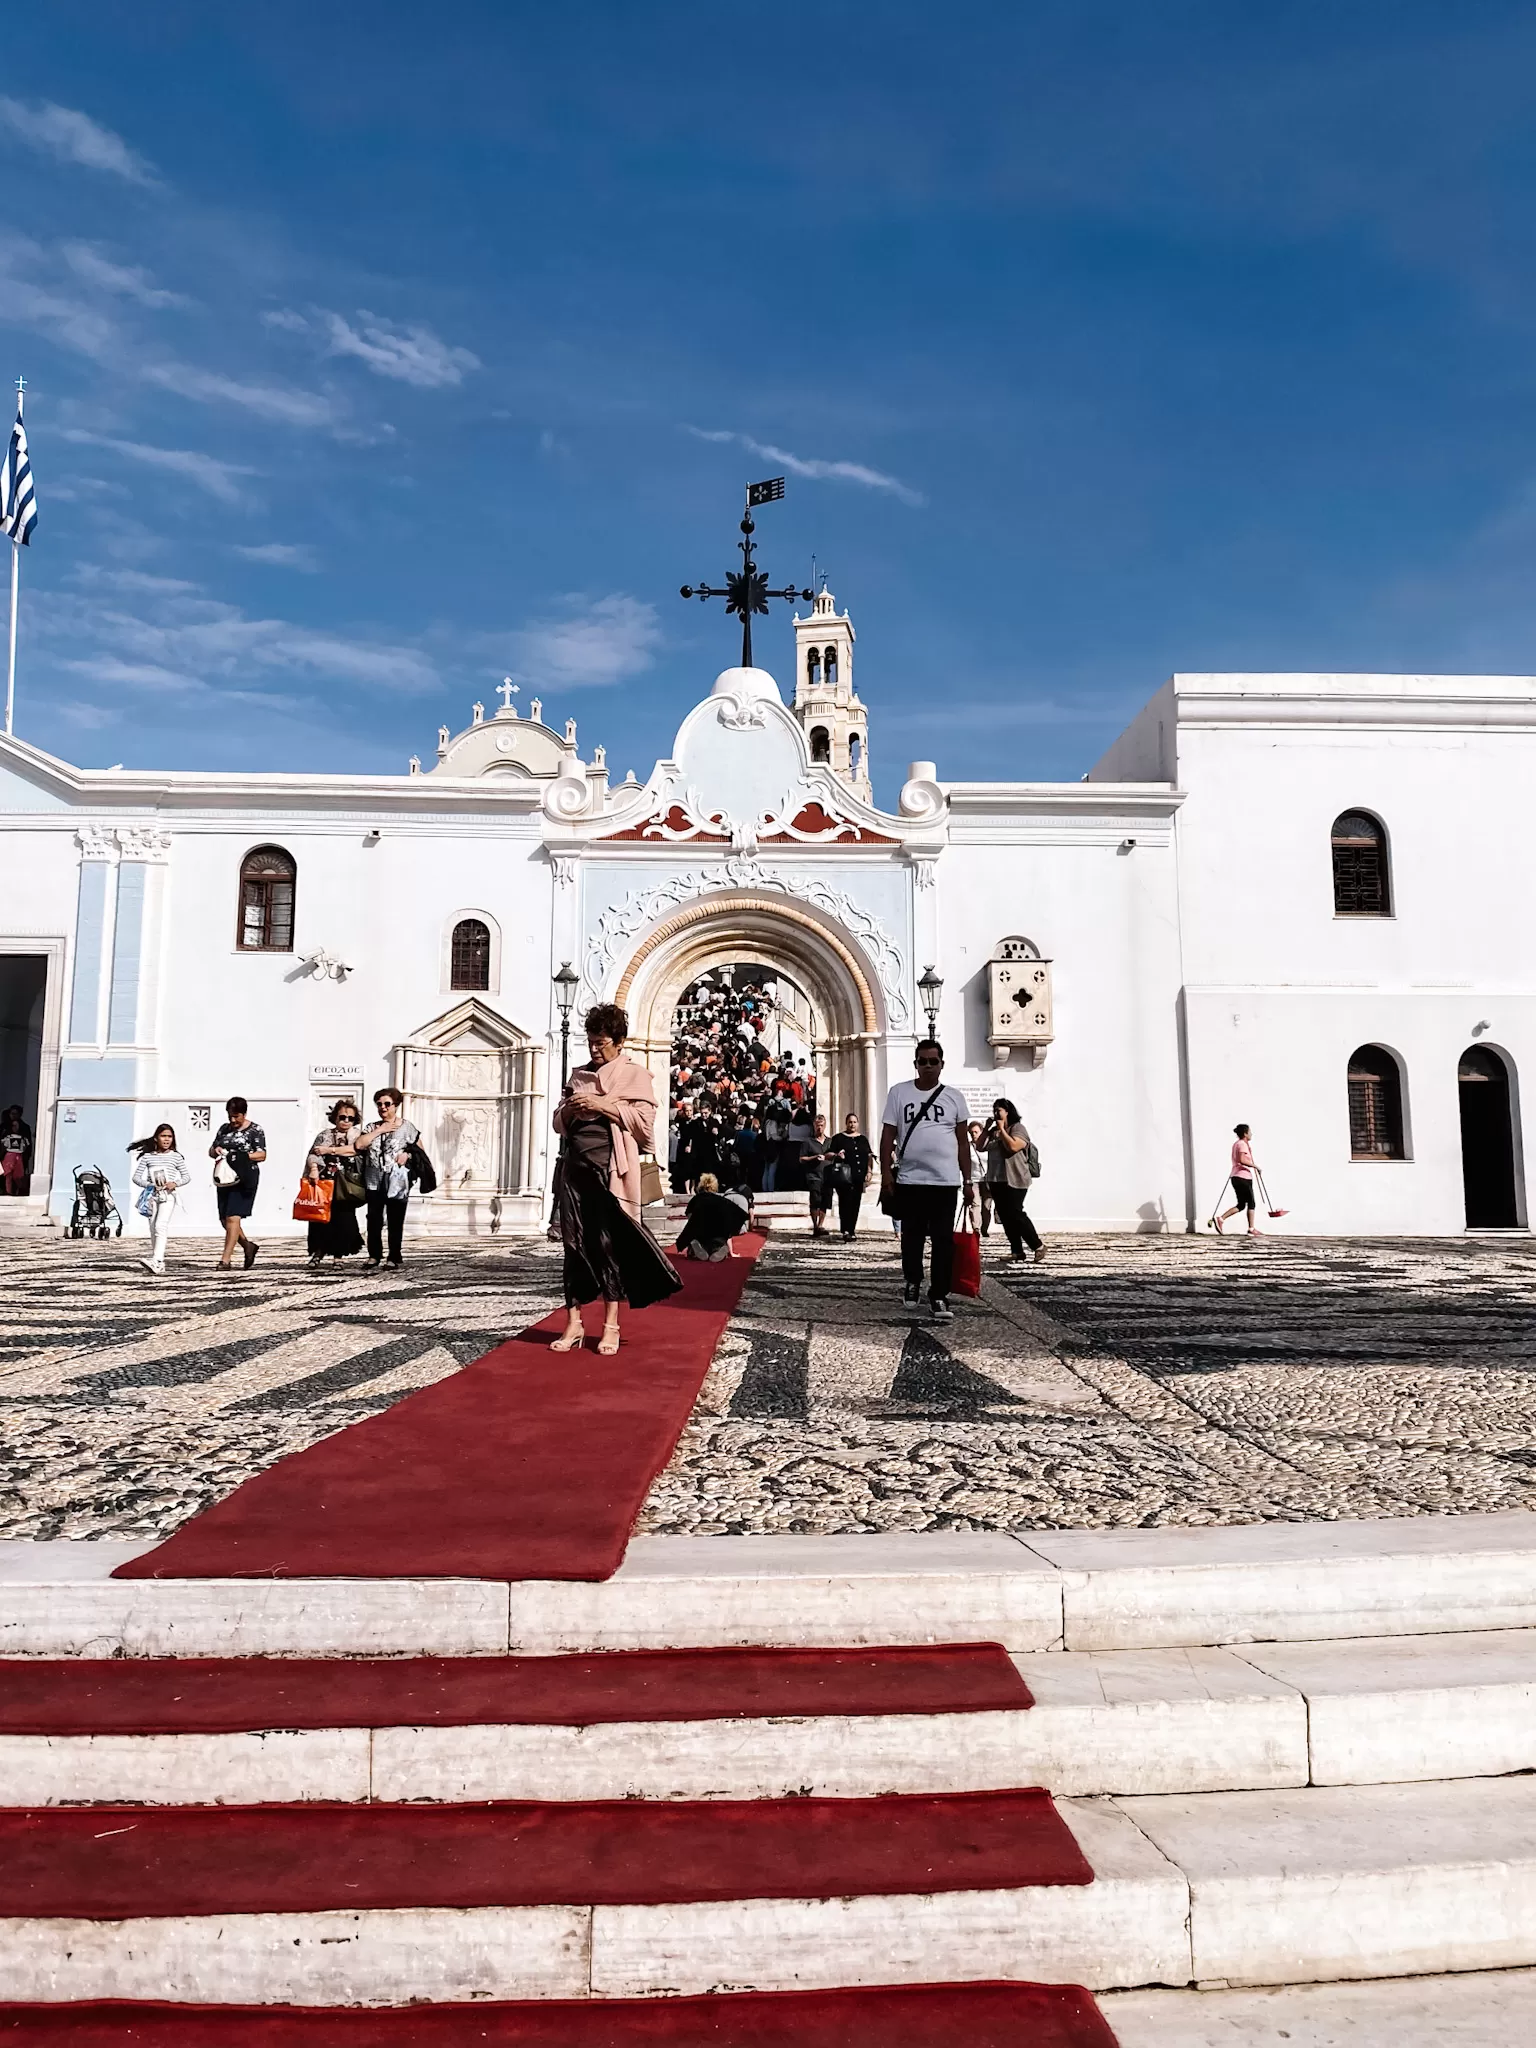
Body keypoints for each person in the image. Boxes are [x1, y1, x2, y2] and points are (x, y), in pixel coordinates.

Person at [551, 1002, 682, 1354]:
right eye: (591, 1042)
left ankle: (611, 1324)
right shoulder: (578, 1074)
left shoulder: (634, 1075)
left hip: (609, 1171)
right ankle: (574, 1323)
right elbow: (557, 1122)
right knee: (572, 1247)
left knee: (607, 1245)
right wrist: (570, 1109)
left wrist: (601, 1105)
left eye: (602, 1043)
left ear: (619, 1042)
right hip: (574, 1171)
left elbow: (644, 1124)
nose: (595, 1050)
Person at [880, 1040, 975, 1322]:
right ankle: (912, 1281)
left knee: (944, 1241)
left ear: (942, 1064)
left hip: (945, 1182)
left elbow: (962, 1143)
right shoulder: (899, 1093)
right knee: (912, 1238)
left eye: (934, 1061)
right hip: (911, 1180)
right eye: (923, 1061)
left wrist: (968, 1180)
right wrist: (886, 1173)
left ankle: (939, 1294)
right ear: (916, 1064)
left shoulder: (954, 1098)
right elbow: (888, 1136)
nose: (928, 1066)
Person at [355, 1087, 420, 1270]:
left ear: (396, 1105)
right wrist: (380, 1130)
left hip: (397, 1181)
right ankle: (374, 1255)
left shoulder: (407, 1127)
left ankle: (394, 1256)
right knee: (373, 1219)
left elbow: (419, 1150)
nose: (383, 1108)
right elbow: (360, 1144)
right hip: (374, 1180)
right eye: (379, 1104)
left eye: (387, 1104)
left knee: (395, 1219)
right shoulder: (371, 1127)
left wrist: (407, 1154)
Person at [304, 1099, 366, 1265]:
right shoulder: (325, 1135)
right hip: (326, 1182)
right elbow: (314, 1153)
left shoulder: (358, 1136)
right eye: (342, 1117)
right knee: (319, 1218)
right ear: (335, 1117)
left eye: (350, 1118)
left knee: (343, 1219)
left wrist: (331, 1150)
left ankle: (339, 1255)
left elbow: (356, 1151)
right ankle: (318, 1253)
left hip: (346, 1184)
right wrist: (314, 1168)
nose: (346, 1121)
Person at [982, 1097, 1044, 1263]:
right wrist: (987, 1129)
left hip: (1015, 1178)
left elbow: (1014, 1147)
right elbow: (980, 1146)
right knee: (1005, 1216)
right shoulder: (994, 1130)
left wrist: (1002, 1131)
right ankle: (1016, 1250)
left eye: (999, 1110)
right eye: (994, 1110)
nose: (995, 1113)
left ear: (1007, 1111)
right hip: (996, 1180)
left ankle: (1037, 1245)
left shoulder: (1018, 1128)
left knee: (1016, 1213)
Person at [209, 1097, 266, 1271]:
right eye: (230, 1116)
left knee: (233, 1217)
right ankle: (248, 1246)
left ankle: (225, 1260)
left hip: (244, 1177)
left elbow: (262, 1155)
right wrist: (216, 1150)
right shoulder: (224, 1129)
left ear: (244, 1113)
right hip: (225, 1177)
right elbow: (211, 1150)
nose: (233, 1120)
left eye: (236, 1116)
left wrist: (240, 1156)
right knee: (224, 1219)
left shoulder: (255, 1130)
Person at [128, 1124, 190, 1276]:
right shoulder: (148, 1157)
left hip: (168, 1195)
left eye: (169, 1136)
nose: (167, 1139)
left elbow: (186, 1176)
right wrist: (150, 1185)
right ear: (156, 1138)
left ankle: (158, 1260)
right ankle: (157, 1260)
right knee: (153, 1227)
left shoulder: (176, 1156)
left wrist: (174, 1183)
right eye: (164, 1136)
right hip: (153, 1195)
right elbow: (136, 1177)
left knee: (161, 1225)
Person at [675, 1172, 745, 1261]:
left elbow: (690, 1219)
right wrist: (731, 1251)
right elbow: (728, 1223)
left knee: (695, 1239)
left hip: (700, 1232)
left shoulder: (696, 1199)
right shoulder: (721, 1201)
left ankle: (695, 1251)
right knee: (718, 1243)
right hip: (717, 1234)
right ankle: (718, 1250)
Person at [827, 1111, 873, 1240]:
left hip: (859, 1176)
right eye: (850, 1122)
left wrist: (869, 1171)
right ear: (846, 1123)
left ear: (857, 1124)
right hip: (845, 1177)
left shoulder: (863, 1139)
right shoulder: (839, 1138)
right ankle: (845, 1229)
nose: (852, 1124)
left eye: (854, 1122)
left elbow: (869, 1156)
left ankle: (852, 1229)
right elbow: (828, 1154)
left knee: (855, 1203)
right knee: (845, 1202)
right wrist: (837, 1155)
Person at [1215, 1123, 1262, 1236]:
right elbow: (1242, 1160)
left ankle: (1221, 1219)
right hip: (1243, 1176)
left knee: (1241, 1204)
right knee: (1251, 1203)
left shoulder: (1237, 1144)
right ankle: (1251, 1228)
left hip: (1236, 1176)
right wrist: (1255, 1166)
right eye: (1249, 1132)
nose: (1251, 1134)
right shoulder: (1242, 1144)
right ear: (1245, 1133)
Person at [803, 1111, 832, 1236]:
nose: (819, 1128)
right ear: (814, 1126)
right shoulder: (808, 1142)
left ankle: (820, 1225)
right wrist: (814, 1157)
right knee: (815, 1200)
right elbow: (802, 1158)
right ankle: (815, 1225)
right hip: (813, 1175)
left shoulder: (830, 1142)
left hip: (827, 1175)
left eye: (821, 1125)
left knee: (825, 1201)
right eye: (817, 1125)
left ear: (825, 1126)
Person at [0, 1106, 32, 1196]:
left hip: (20, 1156)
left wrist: (27, 1156)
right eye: (12, 1113)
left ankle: (18, 1191)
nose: (13, 1116)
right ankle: (7, 1191)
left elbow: (28, 1144)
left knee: (18, 1176)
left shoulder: (25, 1128)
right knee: (6, 1174)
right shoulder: (4, 1127)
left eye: (15, 1113)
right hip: (5, 1155)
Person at [969, 1123, 994, 1238]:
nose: (974, 1135)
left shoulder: (989, 1146)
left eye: (976, 1132)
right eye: (971, 1132)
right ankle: (976, 1229)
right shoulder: (968, 1147)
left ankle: (985, 1228)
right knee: (975, 1204)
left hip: (987, 1180)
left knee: (986, 1206)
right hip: (974, 1179)